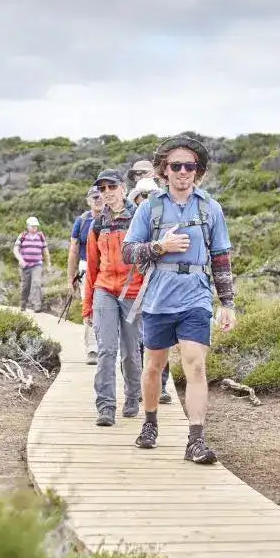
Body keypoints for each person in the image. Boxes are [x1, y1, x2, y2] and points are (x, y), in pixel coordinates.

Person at [122, 135, 237, 463]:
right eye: (176, 165)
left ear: (198, 171)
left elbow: (221, 258)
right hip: (158, 298)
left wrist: (227, 304)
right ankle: (150, 422)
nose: (183, 171)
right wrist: (160, 247)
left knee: (196, 364)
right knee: (154, 366)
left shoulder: (210, 208)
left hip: (196, 297)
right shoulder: (150, 208)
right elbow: (129, 252)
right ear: (164, 170)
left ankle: (196, 439)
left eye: (190, 166)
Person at [83, 169, 143, 427]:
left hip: (132, 292)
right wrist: (87, 305)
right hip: (104, 290)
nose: (107, 192)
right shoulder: (97, 223)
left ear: (123, 188)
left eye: (112, 187)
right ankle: (105, 406)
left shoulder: (140, 218)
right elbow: (92, 268)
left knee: (131, 351)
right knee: (107, 349)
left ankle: (132, 396)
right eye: (102, 189)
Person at [125, 164, 174, 405]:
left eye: (149, 195)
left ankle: (161, 386)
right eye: (141, 195)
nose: (145, 199)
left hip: (156, 288)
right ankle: (133, 389)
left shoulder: (163, 219)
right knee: (132, 343)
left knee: (156, 340)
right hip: (130, 289)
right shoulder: (126, 221)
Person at [68, 185, 105, 364]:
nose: (98, 199)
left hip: (109, 266)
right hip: (86, 267)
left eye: (100, 196)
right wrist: (70, 277)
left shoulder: (114, 217)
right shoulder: (82, 220)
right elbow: (73, 249)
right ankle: (92, 348)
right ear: (88, 200)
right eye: (94, 197)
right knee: (89, 306)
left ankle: (109, 347)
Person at [13, 215, 50, 312]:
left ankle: (37, 306)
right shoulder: (22, 236)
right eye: (33, 226)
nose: (35, 228)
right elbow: (15, 249)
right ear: (28, 226)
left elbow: (45, 250)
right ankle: (23, 304)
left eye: (36, 226)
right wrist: (21, 260)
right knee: (25, 286)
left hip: (37, 264)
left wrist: (48, 263)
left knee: (36, 283)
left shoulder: (40, 236)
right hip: (25, 265)